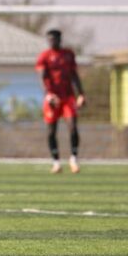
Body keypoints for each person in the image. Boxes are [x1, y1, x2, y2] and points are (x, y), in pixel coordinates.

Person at [35, 29, 86, 174]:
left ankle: (74, 158)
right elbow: (42, 77)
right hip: (52, 98)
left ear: (59, 39)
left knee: (73, 126)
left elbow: (74, 75)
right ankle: (56, 162)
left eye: (54, 39)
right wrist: (48, 95)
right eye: (49, 39)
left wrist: (81, 94)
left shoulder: (68, 55)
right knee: (51, 131)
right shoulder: (44, 56)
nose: (51, 42)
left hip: (68, 97)